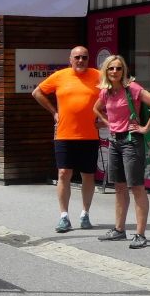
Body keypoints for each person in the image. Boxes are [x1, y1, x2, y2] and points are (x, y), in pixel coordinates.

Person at [93, 55, 150, 249]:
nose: (114, 71)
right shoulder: (106, 91)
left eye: (118, 68)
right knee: (119, 186)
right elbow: (96, 108)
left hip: (131, 141)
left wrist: (145, 128)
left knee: (137, 187)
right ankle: (119, 229)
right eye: (111, 68)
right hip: (115, 141)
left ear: (124, 71)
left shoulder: (132, 88)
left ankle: (140, 234)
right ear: (106, 71)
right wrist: (109, 123)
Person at [32, 46, 100, 233]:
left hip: (89, 134)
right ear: (70, 59)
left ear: (88, 59)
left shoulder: (99, 76)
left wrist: (105, 118)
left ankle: (85, 214)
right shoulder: (60, 76)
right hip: (64, 134)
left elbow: (113, 95)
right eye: (77, 57)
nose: (80, 60)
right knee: (63, 173)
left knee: (88, 175)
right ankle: (64, 216)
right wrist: (54, 112)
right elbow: (37, 92)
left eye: (84, 57)